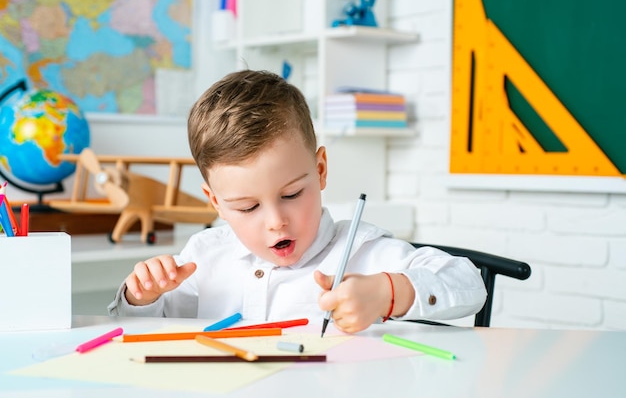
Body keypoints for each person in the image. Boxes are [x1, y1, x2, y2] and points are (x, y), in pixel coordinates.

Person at [108, 69, 486, 333]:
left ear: (320, 169)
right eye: (247, 207)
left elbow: (469, 283)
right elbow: (148, 330)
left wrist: (389, 292)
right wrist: (141, 298)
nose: (275, 221)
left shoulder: (362, 252)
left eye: (291, 194)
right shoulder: (203, 256)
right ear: (215, 202)